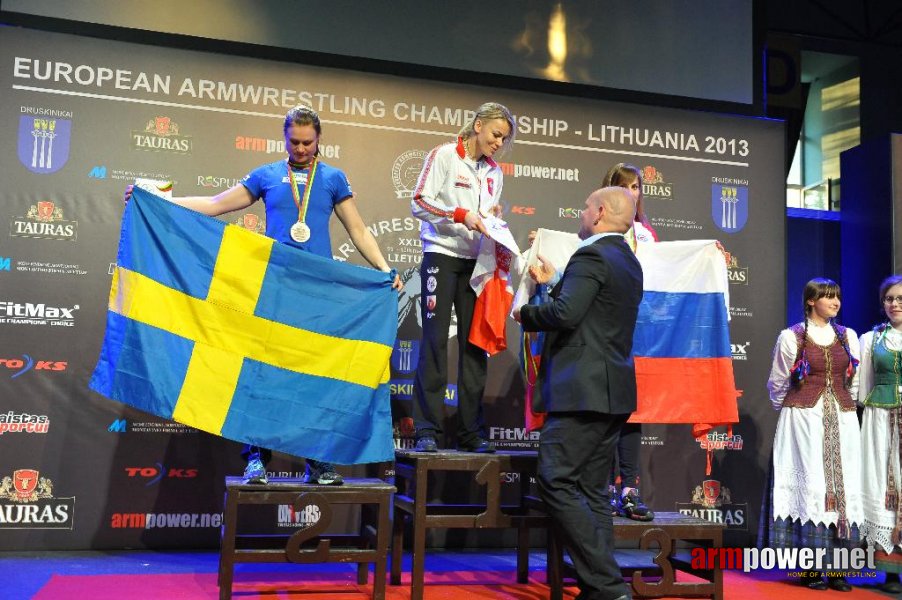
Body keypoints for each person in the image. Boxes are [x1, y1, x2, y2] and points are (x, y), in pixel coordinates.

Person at [124, 105, 401, 486]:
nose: (301, 149)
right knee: (256, 373)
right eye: (294, 142)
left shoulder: (334, 178)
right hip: (271, 290)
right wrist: (161, 201)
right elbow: (217, 205)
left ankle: (317, 462)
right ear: (284, 137)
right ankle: (256, 460)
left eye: (308, 142)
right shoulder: (267, 175)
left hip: (315, 293)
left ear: (320, 139)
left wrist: (385, 269)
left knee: (313, 376)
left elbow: (358, 229)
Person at [514, 186, 643, 600]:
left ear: (600, 212)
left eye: (586, 206)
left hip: (581, 392)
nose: (581, 212)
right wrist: (554, 286)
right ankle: (599, 587)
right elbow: (587, 316)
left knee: (555, 480)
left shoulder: (590, 255)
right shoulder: (629, 261)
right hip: (613, 391)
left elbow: (567, 315)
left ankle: (607, 585)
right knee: (591, 490)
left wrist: (526, 313)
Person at [409, 102, 516, 453]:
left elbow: (482, 216)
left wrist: (491, 217)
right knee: (436, 342)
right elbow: (419, 202)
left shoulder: (494, 172)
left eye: (504, 138)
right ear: (478, 125)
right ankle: (427, 429)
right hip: (440, 255)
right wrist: (460, 214)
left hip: (477, 262)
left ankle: (471, 432)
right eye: (495, 134)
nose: (499, 142)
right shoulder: (443, 155)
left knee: (475, 347)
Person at [766, 278, 861, 592]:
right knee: (813, 485)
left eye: (837, 297)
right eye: (828, 297)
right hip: (805, 421)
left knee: (842, 486)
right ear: (810, 301)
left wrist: (845, 405)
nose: (835, 302)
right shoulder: (791, 337)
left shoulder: (848, 336)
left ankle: (838, 569)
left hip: (843, 421)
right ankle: (810, 569)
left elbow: (854, 381)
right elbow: (778, 383)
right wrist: (793, 409)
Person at [601, 163, 657, 522]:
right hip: (605, 333)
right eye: (623, 186)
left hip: (637, 335)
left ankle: (630, 490)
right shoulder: (594, 232)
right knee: (603, 413)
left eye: (635, 187)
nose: (631, 192)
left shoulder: (646, 235)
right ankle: (602, 489)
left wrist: (705, 255)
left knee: (631, 413)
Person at [859, 274, 902, 593]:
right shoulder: (870, 339)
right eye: (889, 299)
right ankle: (889, 569)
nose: (894, 304)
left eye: (900, 299)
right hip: (879, 417)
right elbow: (863, 388)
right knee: (881, 486)